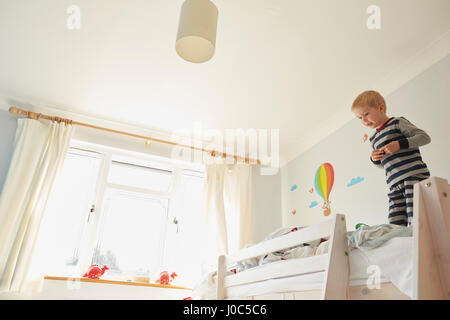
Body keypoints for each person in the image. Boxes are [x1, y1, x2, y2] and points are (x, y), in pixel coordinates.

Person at [351, 90, 431, 226]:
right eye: (360, 118)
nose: (364, 120)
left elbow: (424, 137)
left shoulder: (397, 123)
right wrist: (375, 160)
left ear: (381, 108)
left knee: (416, 217)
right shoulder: (374, 138)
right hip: (393, 183)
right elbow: (384, 164)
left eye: (366, 114)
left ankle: (421, 243)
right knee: (395, 222)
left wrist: (400, 144)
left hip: (413, 176)